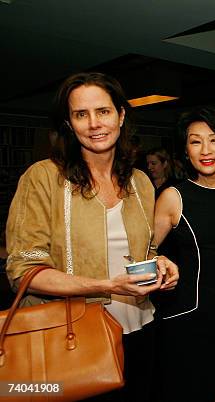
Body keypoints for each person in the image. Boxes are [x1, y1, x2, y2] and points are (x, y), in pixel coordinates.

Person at [5, 72, 179, 402]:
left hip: (141, 328)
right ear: (69, 124)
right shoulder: (43, 178)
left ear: (121, 115)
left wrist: (160, 262)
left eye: (103, 111)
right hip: (72, 335)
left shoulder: (140, 181)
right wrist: (106, 286)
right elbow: (23, 272)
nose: (94, 123)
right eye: (80, 114)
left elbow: (145, 248)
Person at [152, 106, 215, 402]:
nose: (205, 150)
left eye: (214, 140)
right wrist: (157, 264)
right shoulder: (174, 197)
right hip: (185, 319)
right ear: (185, 150)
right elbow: (145, 252)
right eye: (195, 141)